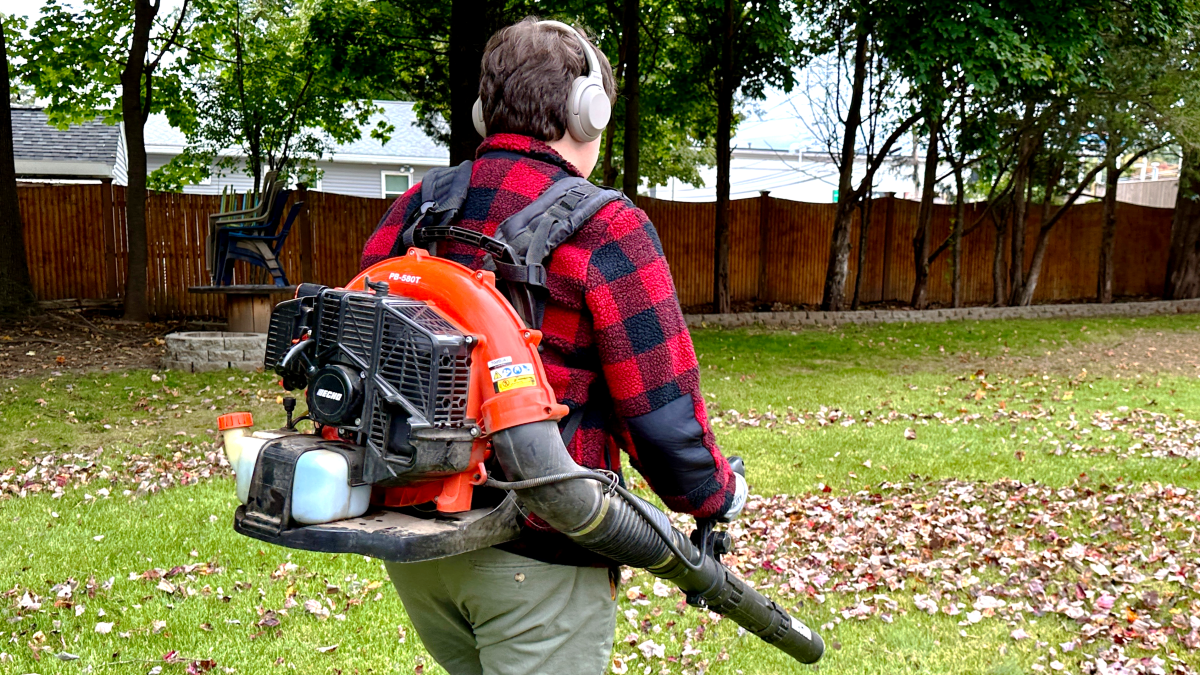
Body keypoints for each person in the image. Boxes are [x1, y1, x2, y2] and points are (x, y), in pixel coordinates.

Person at [360, 17, 746, 675]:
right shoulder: (608, 229)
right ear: (587, 112)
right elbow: (660, 412)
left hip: (420, 540)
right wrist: (717, 496)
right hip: (540, 553)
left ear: (488, 112)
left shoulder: (424, 205)